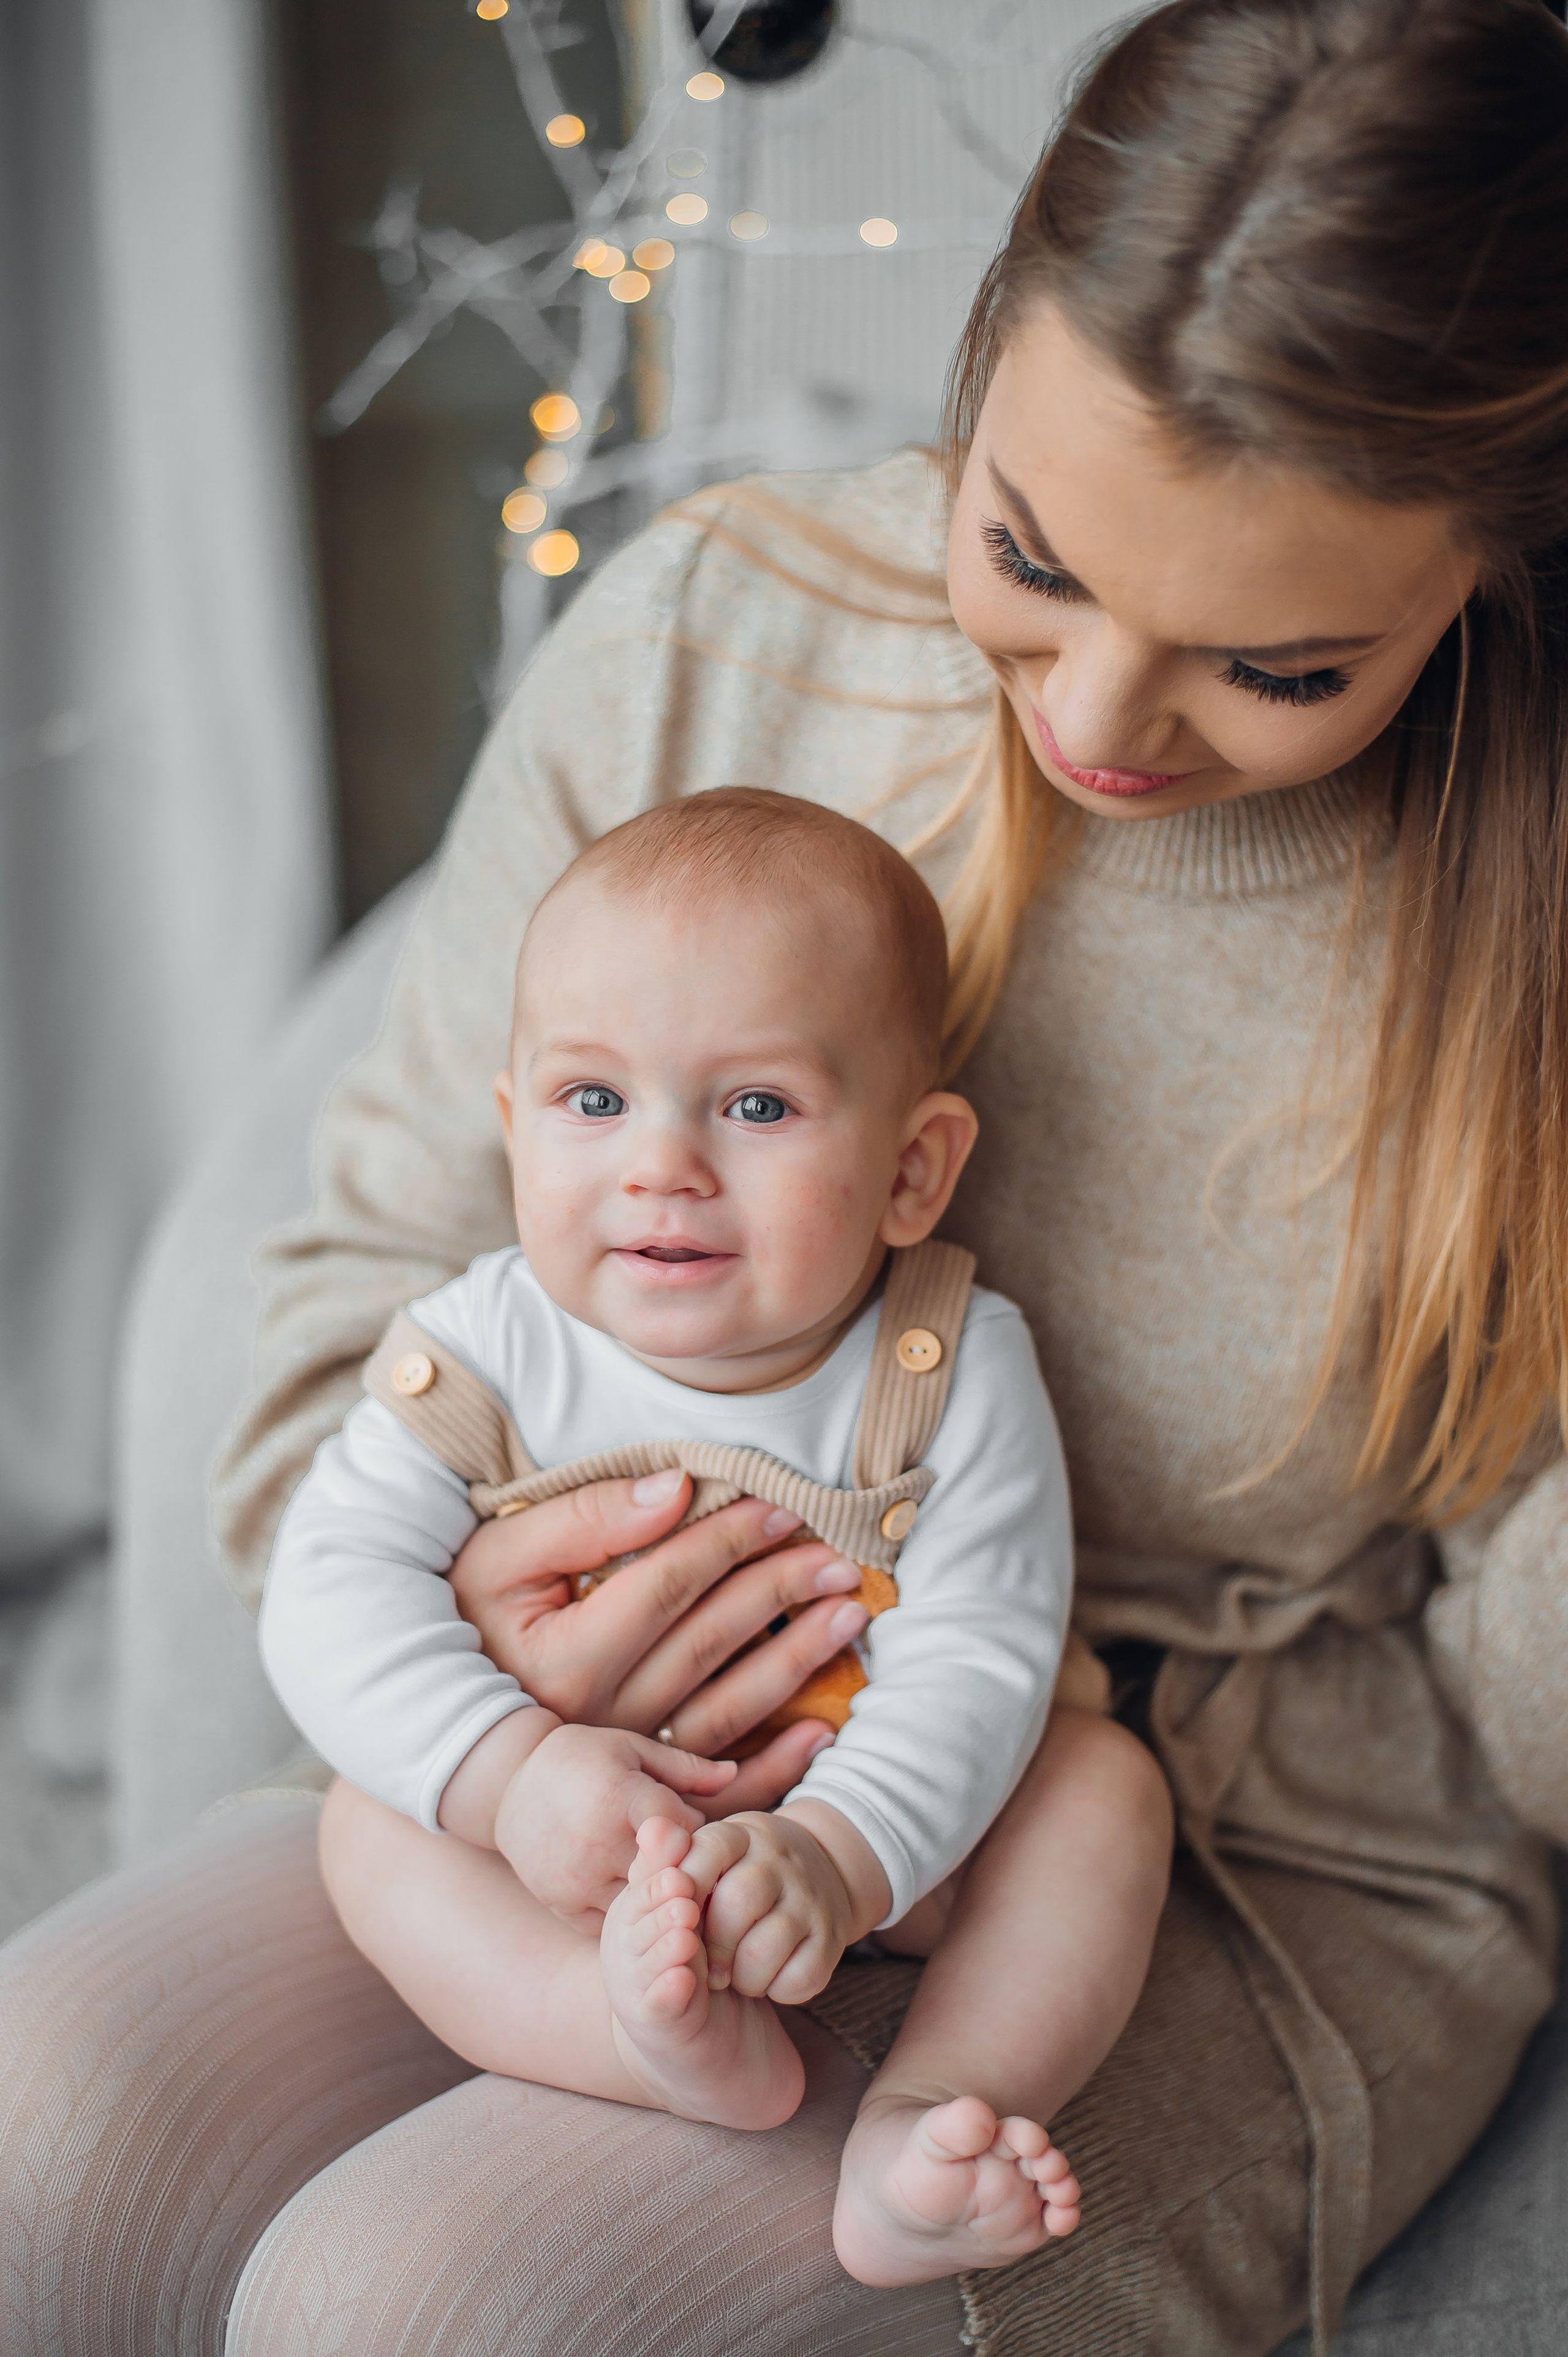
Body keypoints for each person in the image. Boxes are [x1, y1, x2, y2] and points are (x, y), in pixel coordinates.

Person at [4, 1, 1568, 2351]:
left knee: (420, 2305)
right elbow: (353, 1300)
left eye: (1274, 664)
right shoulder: (723, 630)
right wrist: (506, 1678)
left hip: (1213, 1838)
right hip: (561, 1731)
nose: (1092, 719)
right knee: (46, 2108)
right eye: (1026, 551)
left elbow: (1513, 1716)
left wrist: (872, 1817)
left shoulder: (1515, 923)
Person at [262, 789, 1169, 2284]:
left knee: (1104, 1791)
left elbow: (980, 1653)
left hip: (899, 1835)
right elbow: (324, 1591)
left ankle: (930, 2115)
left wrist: (838, 1849)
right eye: (592, 1101)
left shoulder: (947, 1358)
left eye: (754, 1107)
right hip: (577, 1838)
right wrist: (508, 1776)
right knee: (371, 1821)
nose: (660, 1165)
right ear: (512, 1129)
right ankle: (629, 2035)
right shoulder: (485, 1346)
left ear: (910, 1171)